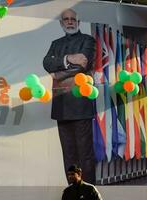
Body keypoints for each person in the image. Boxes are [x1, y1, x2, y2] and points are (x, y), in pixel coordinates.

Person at [43, 8, 96, 184]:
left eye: (73, 19)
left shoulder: (88, 41)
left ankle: (88, 191)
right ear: (61, 23)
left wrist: (57, 74)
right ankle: (73, 191)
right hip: (61, 105)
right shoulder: (55, 43)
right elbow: (46, 62)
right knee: (69, 155)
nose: (70, 22)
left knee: (85, 154)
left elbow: (82, 66)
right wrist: (68, 58)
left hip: (81, 104)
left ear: (79, 22)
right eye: (66, 19)